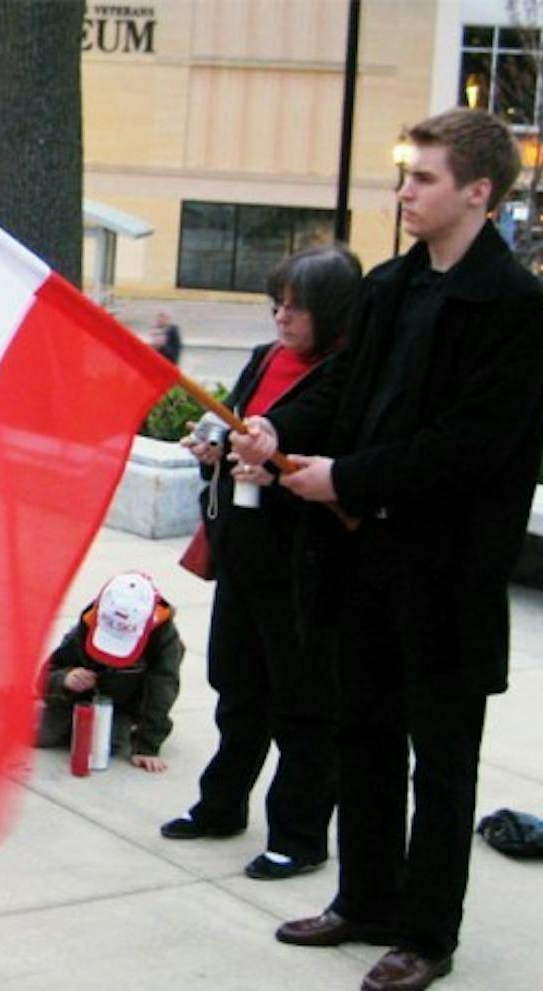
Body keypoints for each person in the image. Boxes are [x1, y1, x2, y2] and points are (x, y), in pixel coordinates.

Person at [235, 108, 543, 991]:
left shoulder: (513, 306)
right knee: (362, 736)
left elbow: (468, 446)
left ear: (478, 192)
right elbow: (341, 387)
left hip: (446, 575)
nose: (404, 191)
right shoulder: (388, 286)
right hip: (363, 564)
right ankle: (364, 900)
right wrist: (276, 426)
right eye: (405, 175)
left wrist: (347, 478)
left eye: (423, 178)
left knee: (440, 763)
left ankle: (425, 931)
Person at [159, 245, 361, 880]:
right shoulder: (264, 357)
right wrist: (211, 444)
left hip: (303, 562)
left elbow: (300, 433)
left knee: (302, 704)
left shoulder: (348, 371)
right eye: (278, 302)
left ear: (331, 312)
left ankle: (298, 835)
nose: (282, 316)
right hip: (242, 550)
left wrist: (268, 450)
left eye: (297, 307)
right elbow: (241, 421)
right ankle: (221, 805)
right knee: (236, 688)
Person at [35, 572, 185, 772]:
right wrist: (64, 680)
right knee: (39, 733)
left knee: (106, 743)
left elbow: (163, 689)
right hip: (78, 699)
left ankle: (86, 727)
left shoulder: (164, 637)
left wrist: (147, 746)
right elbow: (49, 672)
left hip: (121, 706)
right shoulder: (88, 622)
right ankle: (24, 707)